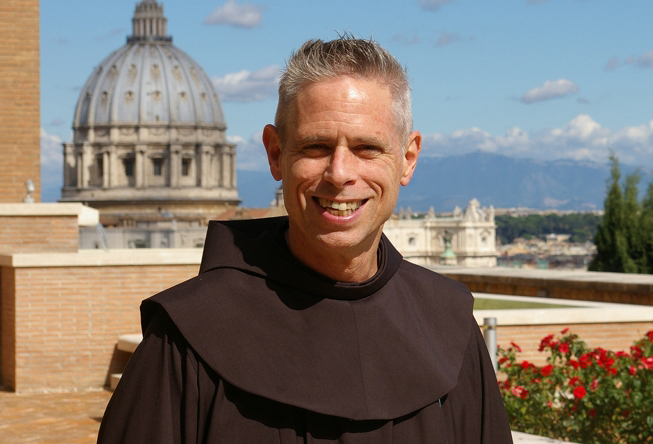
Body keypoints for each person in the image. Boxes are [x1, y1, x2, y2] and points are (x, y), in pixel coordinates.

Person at [98, 36, 513, 443]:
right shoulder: (184, 339)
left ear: (407, 159)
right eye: (316, 146)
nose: (339, 173)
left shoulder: (450, 326)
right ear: (276, 154)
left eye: (367, 148)